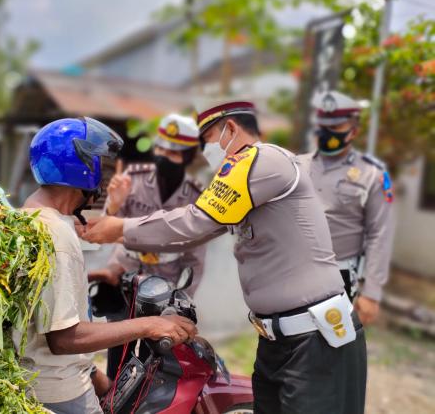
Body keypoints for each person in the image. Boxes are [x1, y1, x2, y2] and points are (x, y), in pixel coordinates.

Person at [80, 101, 367, 414]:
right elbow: (196, 233)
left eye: (208, 140)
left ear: (231, 129)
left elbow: (197, 221)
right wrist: (116, 231)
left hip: (314, 342)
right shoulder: (252, 179)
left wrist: (120, 227)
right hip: (278, 341)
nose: (207, 152)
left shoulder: (259, 160)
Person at [12, 117, 197, 414]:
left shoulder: (31, 217)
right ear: (82, 165)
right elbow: (63, 338)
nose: (104, 175)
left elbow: (41, 311)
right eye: (101, 163)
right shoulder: (57, 236)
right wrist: (150, 325)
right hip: (60, 391)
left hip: (46, 378)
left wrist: (96, 376)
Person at [88, 113, 207, 380]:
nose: (165, 156)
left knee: (155, 355)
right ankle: (113, 403)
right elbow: (109, 223)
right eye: (161, 148)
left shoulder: (196, 196)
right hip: (125, 275)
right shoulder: (134, 179)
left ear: (188, 156)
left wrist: (183, 299)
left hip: (164, 284)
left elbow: (196, 257)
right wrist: (114, 203)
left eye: (174, 152)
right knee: (119, 347)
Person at [298, 91, 394, 326]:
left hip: (339, 278)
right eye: (323, 125)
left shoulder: (372, 174)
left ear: (354, 130)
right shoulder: (297, 165)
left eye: (337, 126)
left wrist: (372, 292)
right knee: (290, 344)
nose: (327, 132)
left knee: (334, 349)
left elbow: (380, 234)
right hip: (294, 272)